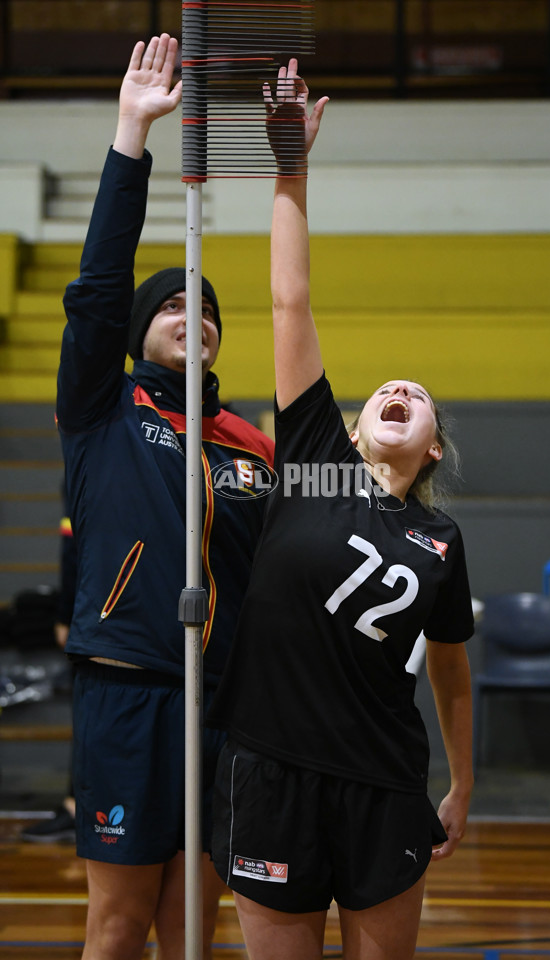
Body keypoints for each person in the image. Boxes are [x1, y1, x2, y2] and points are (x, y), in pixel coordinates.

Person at [209, 61, 474, 960]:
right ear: (354, 430)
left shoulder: (441, 538)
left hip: (385, 785)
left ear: (431, 449)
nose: (401, 390)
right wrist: (291, 167)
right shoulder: (314, 460)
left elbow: (451, 672)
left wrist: (463, 784)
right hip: (272, 770)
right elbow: (290, 300)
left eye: (420, 396)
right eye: (386, 390)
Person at [56, 35, 274, 960]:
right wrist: (131, 137)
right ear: (141, 331)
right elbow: (99, 288)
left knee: (194, 928)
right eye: (175, 305)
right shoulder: (102, 408)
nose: (195, 317)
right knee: (117, 925)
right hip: (128, 692)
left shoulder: (252, 446)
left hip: (223, 704)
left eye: (208, 309)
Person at [21, 497, 77, 844]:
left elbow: (73, 545)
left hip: (100, 608)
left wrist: (65, 613)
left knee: (91, 711)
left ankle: (77, 806)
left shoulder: (86, 466)